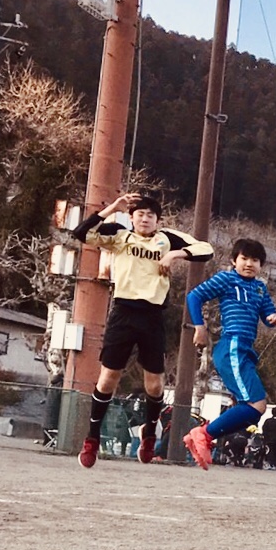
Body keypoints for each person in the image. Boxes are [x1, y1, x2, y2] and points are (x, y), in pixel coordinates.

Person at [68, 192, 213, 467]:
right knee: (108, 378)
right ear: (132, 218)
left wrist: (175, 254)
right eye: (140, 214)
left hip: (152, 315)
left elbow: (206, 249)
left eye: (150, 215)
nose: (145, 219)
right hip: (123, 312)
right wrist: (112, 207)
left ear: (157, 220)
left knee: (155, 383)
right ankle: (92, 438)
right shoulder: (119, 235)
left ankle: (149, 434)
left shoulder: (167, 238)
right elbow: (81, 233)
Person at [181, 239, 276, 469]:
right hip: (232, 345)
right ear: (233, 261)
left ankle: (202, 435)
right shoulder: (226, 279)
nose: (249, 264)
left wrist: (272, 319)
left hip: (246, 349)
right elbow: (194, 296)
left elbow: (267, 313)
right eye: (244, 258)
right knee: (255, 404)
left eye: (255, 260)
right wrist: (200, 327)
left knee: (256, 409)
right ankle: (204, 434)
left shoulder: (260, 288)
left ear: (261, 265)